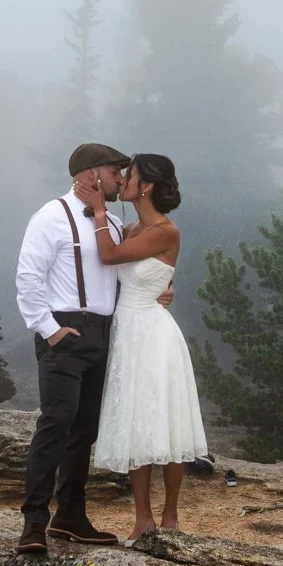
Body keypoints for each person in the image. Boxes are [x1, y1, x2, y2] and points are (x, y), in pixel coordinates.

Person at [13, 142, 169, 553]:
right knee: (56, 423)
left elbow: (128, 275)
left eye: (123, 171)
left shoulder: (113, 227)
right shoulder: (49, 217)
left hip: (105, 334)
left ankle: (71, 516)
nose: (121, 178)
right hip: (65, 333)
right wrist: (50, 330)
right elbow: (28, 279)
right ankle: (33, 522)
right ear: (88, 174)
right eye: (115, 170)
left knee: (84, 431)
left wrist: (161, 291)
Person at [77, 153, 209, 543]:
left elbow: (109, 256)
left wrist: (99, 211)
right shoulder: (130, 226)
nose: (123, 181)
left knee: (165, 421)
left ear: (146, 185)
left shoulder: (166, 231)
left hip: (154, 334)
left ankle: (170, 515)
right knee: (137, 421)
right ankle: (142, 518)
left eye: (129, 175)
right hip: (127, 331)